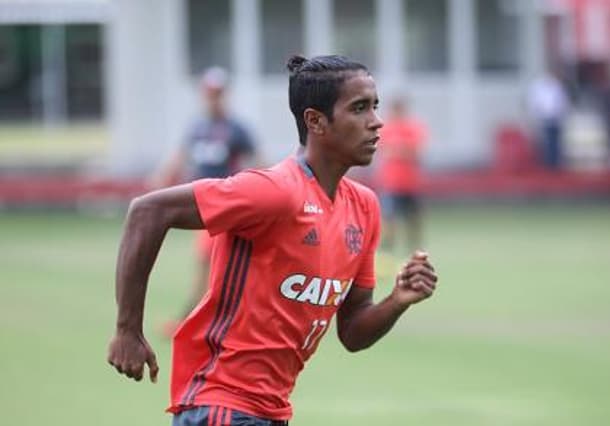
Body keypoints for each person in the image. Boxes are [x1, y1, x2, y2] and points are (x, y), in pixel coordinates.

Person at [107, 55, 439, 425]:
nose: (377, 123)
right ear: (315, 121)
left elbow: (353, 331)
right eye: (359, 108)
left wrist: (398, 300)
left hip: (268, 412)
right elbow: (147, 212)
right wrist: (127, 330)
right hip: (222, 406)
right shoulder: (274, 192)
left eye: (374, 107)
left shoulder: (364, 208)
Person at [150, 66, 258, 336]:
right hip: (201, 205)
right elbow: (181, 156)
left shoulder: (237, 129)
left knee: (207, 265)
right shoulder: (197, 127)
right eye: (210, 94)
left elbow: (257, 162)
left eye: (219, 94)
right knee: (212, 266)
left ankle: (190, 321)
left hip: (225, 206)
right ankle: (207, 320)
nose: (214, 99)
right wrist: (161, 181)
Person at [375, 94, 428, 254]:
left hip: (411, 182)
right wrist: (403, 149)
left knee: (413, 218)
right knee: (388, 217)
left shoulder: (413, 127)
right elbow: (382, 150)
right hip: (391, 182)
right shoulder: (384, 128)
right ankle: (387, 248)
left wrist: (396, 150)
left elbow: (417, 151)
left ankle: (414, 248)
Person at [527, 67, 570, 170]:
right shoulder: (539, 86)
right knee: (545, 141)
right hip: (543, 117)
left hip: (555, 118)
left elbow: (562, 101)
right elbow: (534, 102)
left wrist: (562, 114)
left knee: (555, 142)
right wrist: (536, 114)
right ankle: (546, 163)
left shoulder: (557, 85)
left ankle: (554, 163)